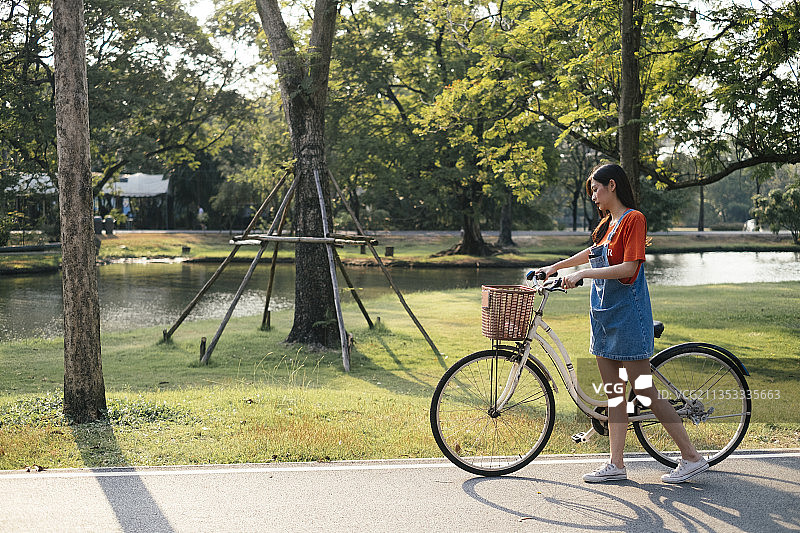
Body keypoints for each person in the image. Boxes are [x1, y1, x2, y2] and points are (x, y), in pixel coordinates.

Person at [535, 163, 709, 484]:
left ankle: (692, 457)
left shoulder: (634, 220)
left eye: (596, 190)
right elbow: (591, 253)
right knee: (615, 394)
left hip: (628, 317)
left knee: (643, 392)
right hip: (603, 317)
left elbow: (628, 268)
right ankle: (616, 464)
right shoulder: (607, 225)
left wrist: (582, 274)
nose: (593, 197)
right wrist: (553, 267)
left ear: (612, 186)